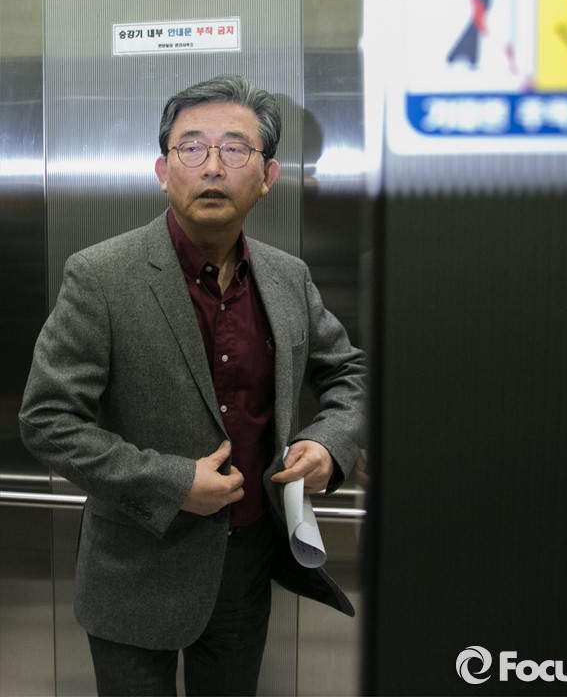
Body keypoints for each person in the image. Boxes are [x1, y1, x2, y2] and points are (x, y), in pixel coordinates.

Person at [18, 74, 367, 697]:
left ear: (267, 176)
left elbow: (349, 373)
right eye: (191, 147)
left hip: (247, 567)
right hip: (135, 570)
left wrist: (329, 443)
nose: (212, 166)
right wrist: (173, 482)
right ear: (163, 170)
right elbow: (47, 419)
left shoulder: (287, 277)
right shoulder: (101, 276)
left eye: (235, 149)